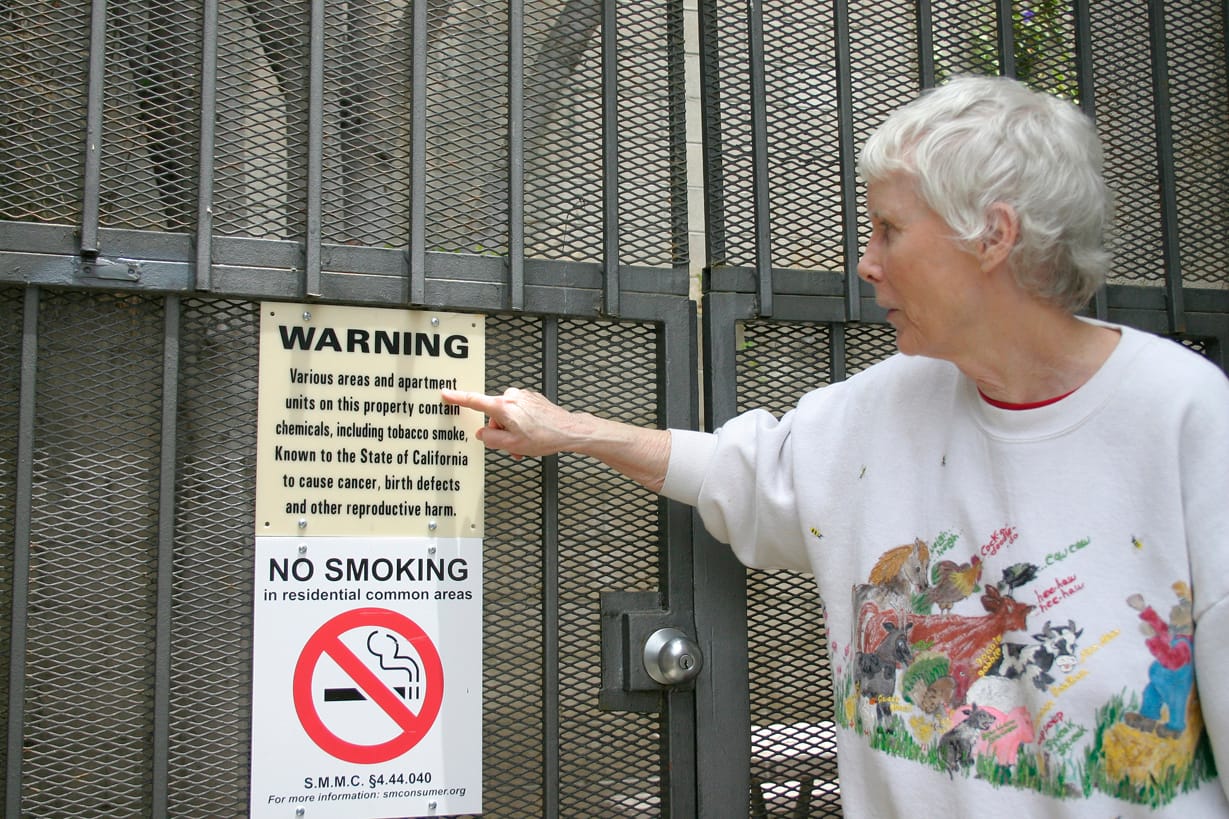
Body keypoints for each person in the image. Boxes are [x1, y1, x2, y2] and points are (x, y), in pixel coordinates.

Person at [443, 75, 1229, 817]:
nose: (866, 262)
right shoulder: (882, 406)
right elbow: (742, 474)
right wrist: (566, 429)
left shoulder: (1184, 417)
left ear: (991, 236)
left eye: (888, 229)